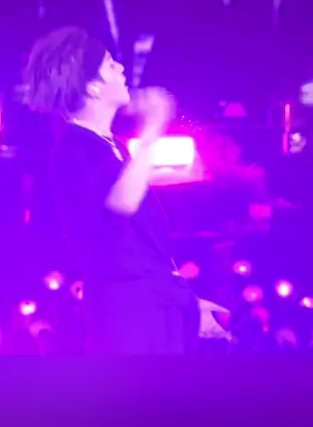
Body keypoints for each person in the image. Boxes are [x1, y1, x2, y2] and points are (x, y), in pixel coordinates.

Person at [25, 26, 201, 355]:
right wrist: (154, 127)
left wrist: (187, 304)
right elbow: (120, 206)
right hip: (126, 314)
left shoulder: (113, 146)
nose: (120, 68)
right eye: (109, 64)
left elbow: (142, 239)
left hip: (155, 308)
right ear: (92, 87)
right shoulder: (73, 149)